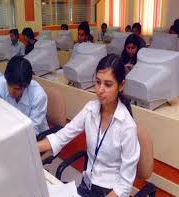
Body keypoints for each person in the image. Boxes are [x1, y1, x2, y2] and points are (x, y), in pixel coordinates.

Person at [38, 54, 140, 197]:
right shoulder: (90, 109)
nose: (100, 90)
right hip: (87, 184)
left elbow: (124, 185)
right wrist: (29, 148)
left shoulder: (127, 126)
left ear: (121, 86)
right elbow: (61, 136)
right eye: (98, 82)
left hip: (110, 192)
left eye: (108, 84)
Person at [0, 56, 49, 135]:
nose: (11, 91)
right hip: (9, 129)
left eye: (16, 89)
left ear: (26, 86)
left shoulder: (38, 96)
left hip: (35, 136)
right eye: (9, 85)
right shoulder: (1, 82)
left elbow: (32, 130)